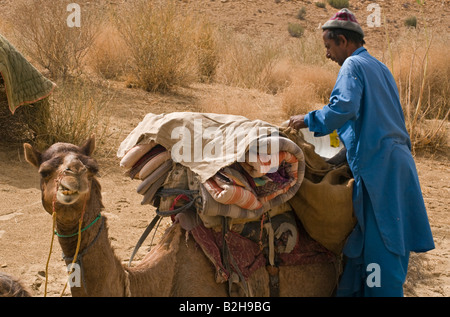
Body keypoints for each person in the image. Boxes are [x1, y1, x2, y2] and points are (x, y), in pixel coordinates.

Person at [288, 8, 435, 297]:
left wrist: (307, 120)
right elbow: (374, 122)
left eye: (329, 47)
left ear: (343, 40)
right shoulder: (380, 68)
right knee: (368, 243)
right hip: (395, 164)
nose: (327, 54)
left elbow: (345, 108)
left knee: (383, 246)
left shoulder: (352, 67)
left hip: (381, 169)